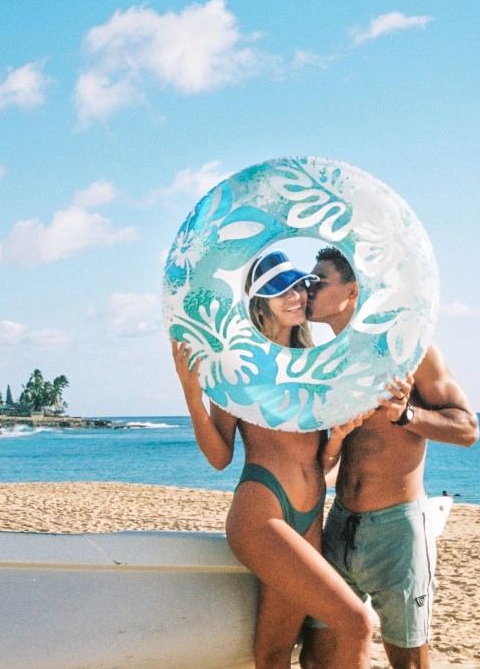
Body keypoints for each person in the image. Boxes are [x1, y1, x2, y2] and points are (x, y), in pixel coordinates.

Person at [171, 249, 374, 669]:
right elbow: (219, 457)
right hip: (261, 512)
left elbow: (322, 464)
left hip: (310, 515)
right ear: (260, 302)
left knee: (274, 652)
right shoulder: (236, 366)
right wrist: (192, 396)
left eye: (299, 286)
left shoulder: (316, 366)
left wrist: (337, 439)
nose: (295, 296)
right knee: (355, 623)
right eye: (281, 290)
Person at [300, 247, 480, 669]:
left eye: (318, 281)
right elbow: (330, 459)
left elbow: (468, 429)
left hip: (397, 531)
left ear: (352, 290)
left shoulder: (409, 350)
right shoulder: (325, 364)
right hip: (340, 524)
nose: (307, 289)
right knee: (317, 658)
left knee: (409, 663)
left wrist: (406, 415)